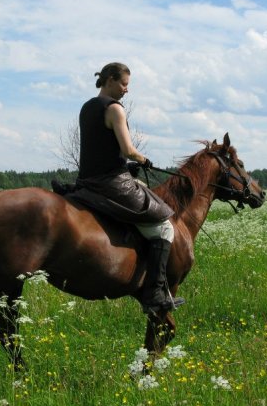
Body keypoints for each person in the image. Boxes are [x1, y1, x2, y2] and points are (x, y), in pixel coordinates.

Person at [70, 62, 184, 314]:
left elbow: (102, 148)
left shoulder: (87, 107)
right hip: (112, 184)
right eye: (124, 84)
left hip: (88, 181)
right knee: (164, 226)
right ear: (110, 80)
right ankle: (154, 294)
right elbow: (127, 150)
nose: (126, 90)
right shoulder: (114, 109)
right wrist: (142, 160)